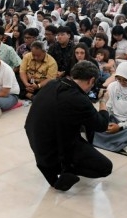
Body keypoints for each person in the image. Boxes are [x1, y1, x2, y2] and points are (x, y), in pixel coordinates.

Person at [25, 61, 113, 191]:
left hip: (36, 140)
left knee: (81, 125)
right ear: (91, 80)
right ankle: (67, 169)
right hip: (56, 148)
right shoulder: (79, 99)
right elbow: (101, 125)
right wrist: (103, 102)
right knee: (105, 167)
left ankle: (55, 170)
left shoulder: (52, 84)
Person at [92, 62, 127, 156]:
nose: (122, 83)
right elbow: (109, 107)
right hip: (114, 119)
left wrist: (120, 126)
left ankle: (102, 141)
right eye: (119, 79)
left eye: (126, 80)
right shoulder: (113, 86)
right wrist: (107, 122)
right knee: (96, 125)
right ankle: (123, 147)